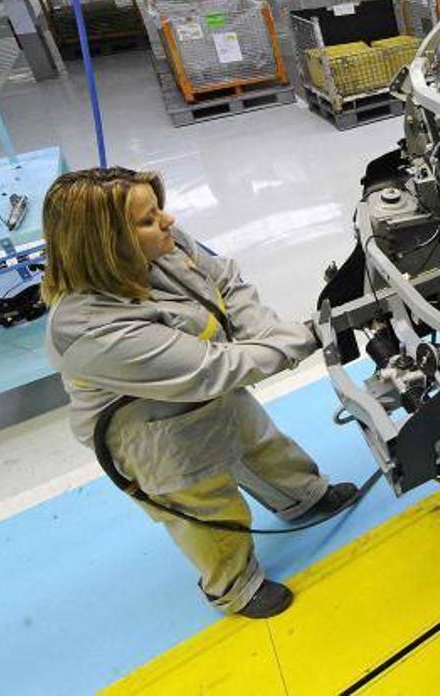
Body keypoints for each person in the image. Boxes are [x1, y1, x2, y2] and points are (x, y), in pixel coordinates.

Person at [42, 167, 357, 618]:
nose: (167, 222)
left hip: (208, 388)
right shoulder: (87, 330)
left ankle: (302, 497)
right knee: (205, 504)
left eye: (158, 210)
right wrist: (306, 338)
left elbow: (226, 280)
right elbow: (213, 367)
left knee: (259, 444)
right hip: (151, 433)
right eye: (148, 220)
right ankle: (236, 587)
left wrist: (266, 332)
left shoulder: (160, 244)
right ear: (105, 245)